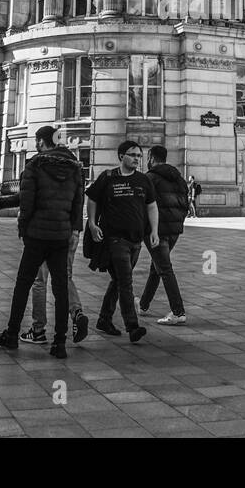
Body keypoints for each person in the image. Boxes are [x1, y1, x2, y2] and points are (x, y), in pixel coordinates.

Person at [0, 126, 86, 358]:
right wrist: (74, 229)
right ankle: (60, 343)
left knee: (23, 285)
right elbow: (77, 202)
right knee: (61, 288)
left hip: (37, 235)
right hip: (61, 235)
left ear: (41, 142)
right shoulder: (75, 168)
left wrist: (23, 228)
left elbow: (27, 202)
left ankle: (12, 335)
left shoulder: (35, 165)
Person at [86, 141, 159, 343]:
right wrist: (92, 224)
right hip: (115, 239)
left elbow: (152, 206)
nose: (137, 158)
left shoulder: (144, 180)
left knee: (118, 281)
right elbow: (91, 199)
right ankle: (132, 326)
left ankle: (104, 319)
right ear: (121, 156)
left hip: (136, 241)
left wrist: (154, 231)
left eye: (139, 155)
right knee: (126, 282)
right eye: (132, 155)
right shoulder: (108, 177)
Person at [137, 145, 189, 325]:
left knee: (164, 269)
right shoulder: (179, 179)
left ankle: (178, 311)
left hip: (156, 231)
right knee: (157, 267)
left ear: (151, 157)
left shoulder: (149, 178)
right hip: (174, 230)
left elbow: (142, 205)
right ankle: (143, 305)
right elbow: (185, 205)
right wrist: (178, 222)